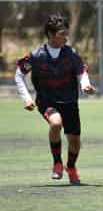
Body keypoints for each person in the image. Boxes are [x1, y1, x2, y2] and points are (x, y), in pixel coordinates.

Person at [15, 14, 95, 185]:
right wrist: (27, 98)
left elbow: (82, 71)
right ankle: (57, 163)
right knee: (56, 123)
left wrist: (85, 85)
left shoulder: (70, 53)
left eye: (66, 33)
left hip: (69, 101)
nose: (65, 37)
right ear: (50, 35)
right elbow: (19, 74)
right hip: (47, 101)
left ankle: (71, 166)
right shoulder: (37, 56)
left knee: (74, 140)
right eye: (61, 34)